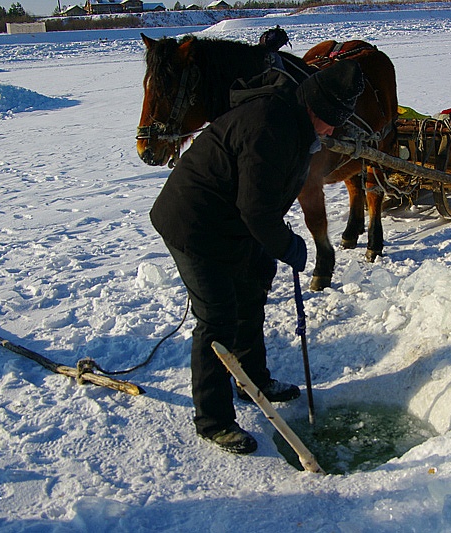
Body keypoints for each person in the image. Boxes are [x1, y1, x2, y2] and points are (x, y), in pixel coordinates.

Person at [150, 60, 365, 454]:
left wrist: (275, 247)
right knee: (217, 316)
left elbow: (262, 201)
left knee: (255, 282)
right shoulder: (270, 125)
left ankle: (252, 379)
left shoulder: (295, 122)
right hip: (193, 223)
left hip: (229, 220)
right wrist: (288, 246)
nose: (332, 131)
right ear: (313, 107)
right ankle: (213, 420)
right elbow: (255, 209)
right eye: (330, 121)